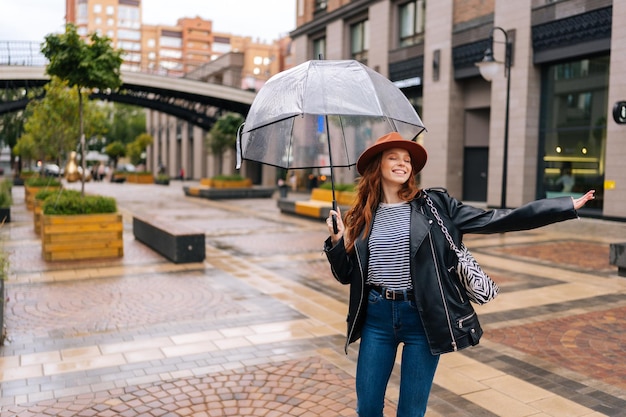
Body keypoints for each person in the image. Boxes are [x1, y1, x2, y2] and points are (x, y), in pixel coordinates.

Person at [323, 132, 595, 417]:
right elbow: (346, 276)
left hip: (423, 317)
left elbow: (497, 219)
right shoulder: (363, 215)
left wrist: (562, 207)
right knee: (366, 408)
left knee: (411, 412)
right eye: (393, 157)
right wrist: (336, 241)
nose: (402, 164)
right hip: (376, 319)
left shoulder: (434, 204)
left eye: (407, 159)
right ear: (377, 165)